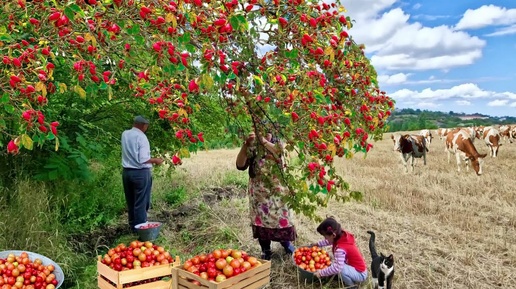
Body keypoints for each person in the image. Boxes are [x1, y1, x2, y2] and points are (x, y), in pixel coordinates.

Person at [235, 130, 296, 260]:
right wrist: (246, 145)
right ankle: (265, 249)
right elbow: (240, 165)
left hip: (277, 192)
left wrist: (264, 142)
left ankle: (286, 244)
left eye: (266, 131)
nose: (262, 134)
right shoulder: (252, 146)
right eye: (260, 131)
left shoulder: (278, 143)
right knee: (261, 221)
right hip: (258, 193)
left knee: (281, 220)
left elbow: (282, 155)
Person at [121, 115, 164, 233]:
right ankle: (141, 231)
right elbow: (143, 159)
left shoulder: (125, 134)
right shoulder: (142, 137)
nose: (147, 128)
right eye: (146, 126)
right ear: (143, 125)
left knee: (131, 201)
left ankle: (132, 227)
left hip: (126, 172)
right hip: (140, 173)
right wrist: (156, 160)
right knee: (141, 202)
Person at [311, 217, 367, 289]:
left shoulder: (340, 249)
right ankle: (343, 275)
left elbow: (338, 267)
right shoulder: (341, 235)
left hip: (360, 274)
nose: (325, 239)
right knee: (335, 264)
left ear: (333, 235)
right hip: (353, 267)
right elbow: (330, 241)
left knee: (340, 268)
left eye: (326, 237)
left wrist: (321, 273)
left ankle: (352, 286)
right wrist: (318, 244)